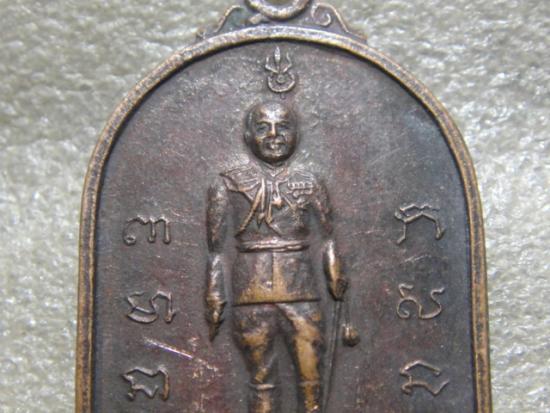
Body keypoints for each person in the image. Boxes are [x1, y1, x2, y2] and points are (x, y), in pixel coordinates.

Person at [205, 101, 348, 413]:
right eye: (263, 127)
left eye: (282, 127)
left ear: (296, 133)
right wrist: (214, 293)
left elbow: (328, 237)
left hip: (302, 291)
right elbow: (215, 248)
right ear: (248, 136)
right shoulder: (228, 183)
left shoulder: (310, 182)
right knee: (261, 382)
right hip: (250, 292)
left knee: (311, 380)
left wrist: (334, 272)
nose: (274, 135)